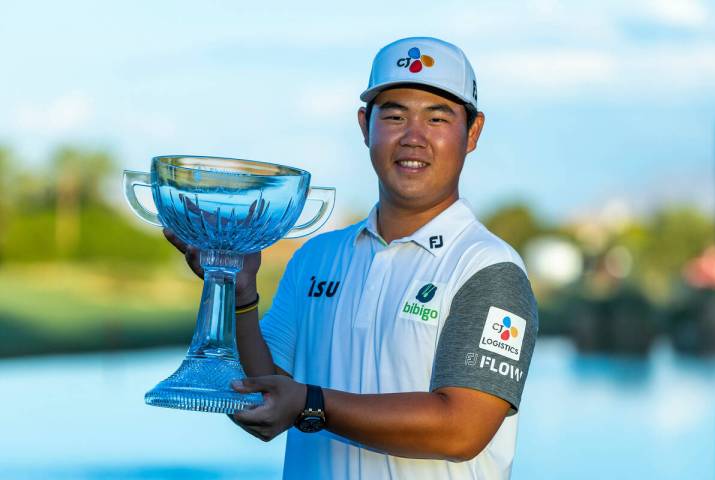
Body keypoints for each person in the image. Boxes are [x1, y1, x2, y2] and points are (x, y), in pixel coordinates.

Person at [165, 36, 538, 480]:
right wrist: (240, 297)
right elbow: (264, 405)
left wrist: (311, 403)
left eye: (437, 118)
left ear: (472, 133)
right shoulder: (316, 258)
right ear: (365, 126)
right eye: (395, 116)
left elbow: (461, 429)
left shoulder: (488, 268)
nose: (414, 137)